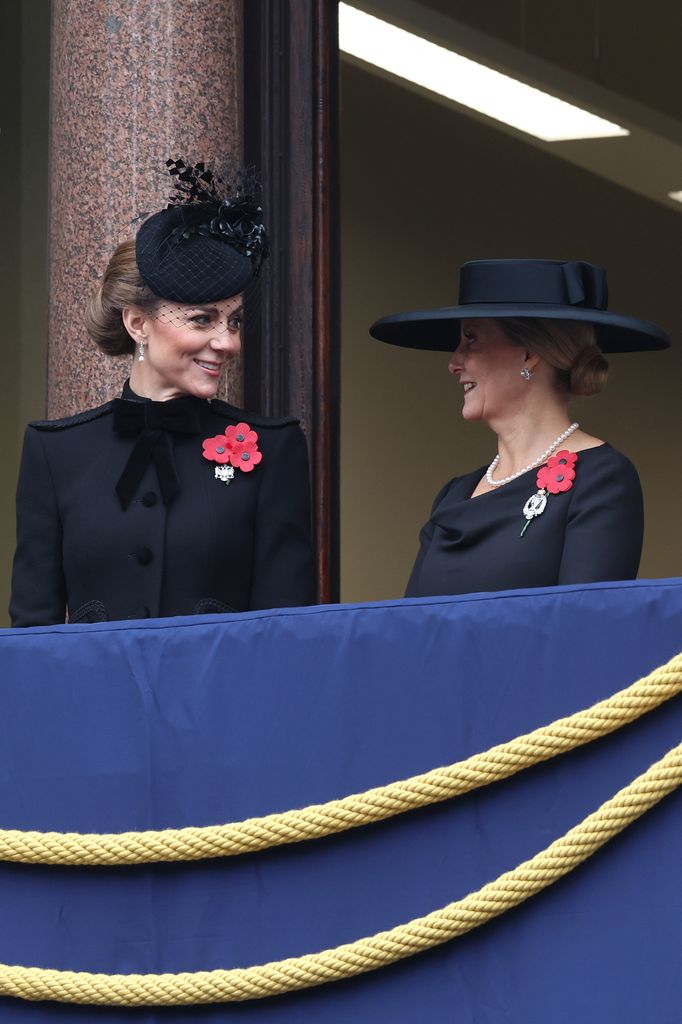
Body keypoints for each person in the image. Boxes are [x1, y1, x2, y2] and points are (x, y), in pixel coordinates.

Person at [10, 159, 315, 626]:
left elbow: (287, 631)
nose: (227, 342)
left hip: (219, 699)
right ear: (138, 324)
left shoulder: (275, 448)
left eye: (233, 321)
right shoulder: (55, 452)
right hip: (94, 699)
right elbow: (33, 634)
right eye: (202, 319)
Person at [369, 258, 670, 598]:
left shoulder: (600, 479)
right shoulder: (454, 494)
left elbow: (583, 627)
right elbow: (411, 626)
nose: (454, 363)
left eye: (471, 339)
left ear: (529, 353)